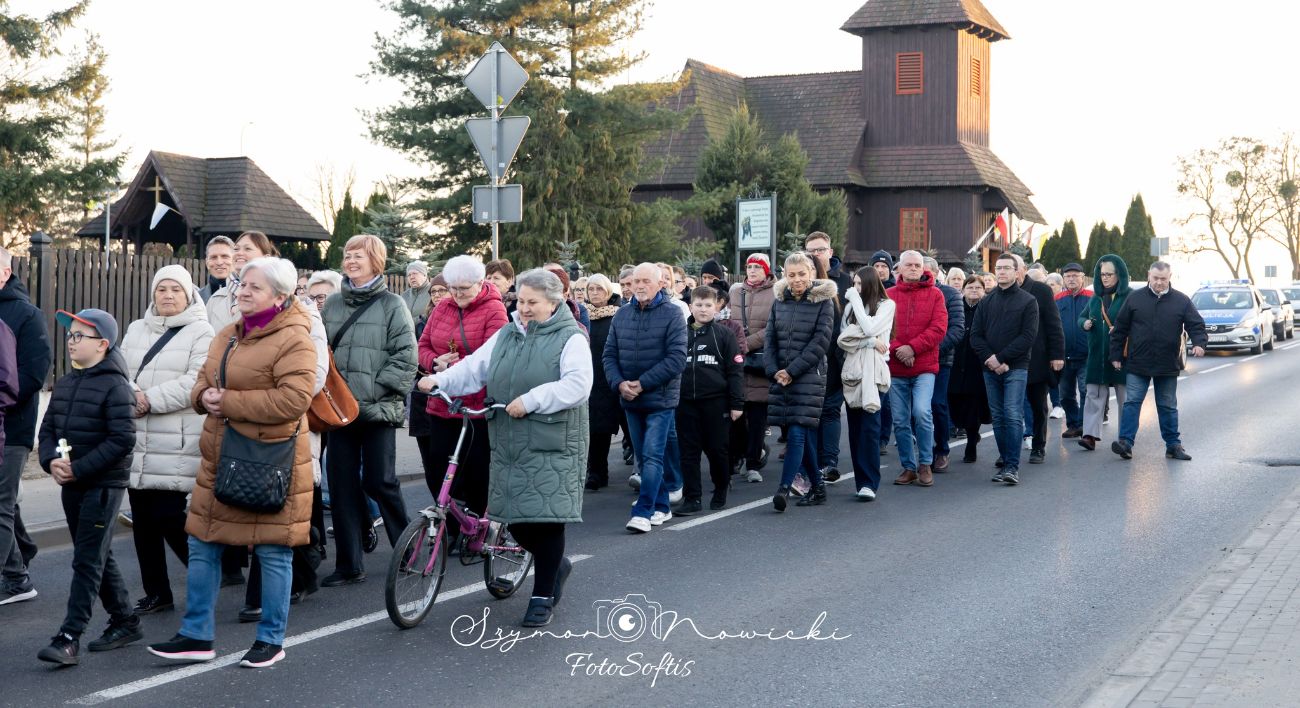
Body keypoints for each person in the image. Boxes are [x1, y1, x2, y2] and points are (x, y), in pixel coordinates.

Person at [146, 257, 315, 669]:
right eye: (241, 285)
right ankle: (196, 635)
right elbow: (203, 382)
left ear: (280, 296)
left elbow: (295, 401)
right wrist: (202, 397)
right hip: (220, 456)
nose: (240, 292)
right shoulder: (227, 334)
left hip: (269, 461)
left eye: (252, 287)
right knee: (202, 543)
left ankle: (271, 640)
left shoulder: (296, 339)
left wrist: (231, 403)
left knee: (273, 552)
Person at [418, 268, 590, 627]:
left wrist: (532, 400)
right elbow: (476, 367)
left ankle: (542, 596)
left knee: (544, 519)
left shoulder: (571, 337)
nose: (524, 308)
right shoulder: (508, 334)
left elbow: (578, 385)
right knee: (515, 519)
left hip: (552, 439)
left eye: (533, 302)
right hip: (510, 438)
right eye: (521, 300)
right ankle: (555, 564)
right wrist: (439, 380)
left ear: (554, 302)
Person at [36, 309, 138, 665]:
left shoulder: (116, 386)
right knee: (96, 554)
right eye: (70, 335)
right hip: (73, 483)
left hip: (103, 486)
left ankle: (69, 636)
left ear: (103, 344)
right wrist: (51, 461)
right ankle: (125, 619)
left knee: (86, 560)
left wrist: (79, 469)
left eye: (80, 336)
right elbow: (47, 430)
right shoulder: (65, 383)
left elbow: (122, 440)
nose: (72, 341)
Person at [319, 235, 416, 586]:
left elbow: (406, 357)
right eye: (347, 255)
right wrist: (333, 394)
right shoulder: (331, 305)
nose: (351, 261)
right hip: (338, 412)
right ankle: (348, 564)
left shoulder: (393, 304)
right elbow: (320, 353)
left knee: (380, 481)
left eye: (358, 255)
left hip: (377, 410)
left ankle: (410, 549)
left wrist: (369, 391)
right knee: (342, 486)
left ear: (376, 260)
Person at [120, 266, 215, 615]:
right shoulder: (135, 329)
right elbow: (119, 371)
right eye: (162, 289)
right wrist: (132, 396)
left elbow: (196, 380)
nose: (168, 295)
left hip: (176, 438)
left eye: (176, 289)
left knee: (169, 516)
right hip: (137, 437)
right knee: (142, 520)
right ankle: (157, 592)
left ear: (189, 294)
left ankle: (206, 577)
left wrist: (149, 400)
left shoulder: (202, 331)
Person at [416, 255, 506, 540]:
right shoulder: (443, 307)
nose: (457, 294)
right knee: (436, 469)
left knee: (477, 470)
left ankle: (478, 527)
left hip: (477, 404)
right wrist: (434, 363)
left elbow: (493, 358)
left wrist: (451, 368)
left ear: (480, 284)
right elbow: (422, 346)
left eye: (464, 289)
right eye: (453, 288)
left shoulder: (495, 311)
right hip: (442, 402)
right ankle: (452, 525)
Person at [604, 263, 687, 533]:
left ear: (661, 283)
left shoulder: (673, 314)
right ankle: (662, 506)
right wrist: (619, 384)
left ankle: (644, 510)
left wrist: (642, 384)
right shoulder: (621, 316)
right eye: (635, 281)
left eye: (645, 281)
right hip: (629, 398)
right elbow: (609, 356)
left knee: (651, 456)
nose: (638, 286)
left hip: (660, 399)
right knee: (644, 455)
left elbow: (676, 359)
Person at [1109, 261, 1208, 461]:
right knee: (1132, 403)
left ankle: (1173, 445)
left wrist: (1199, 343)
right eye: (1155, 278)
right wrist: (1115, 355)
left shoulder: (1181, 301)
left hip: (1167, 363)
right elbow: (1120, 329)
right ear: (1148, 276)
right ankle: (1125, 443)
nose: (1159, 283)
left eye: (1163, 279)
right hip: (1138, 363)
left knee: (1167, 405)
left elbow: (1196, 325)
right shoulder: (1134, 299)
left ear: (1170, 277)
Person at [0, 247, 50, 608]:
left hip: (12, 428)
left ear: (5, 272)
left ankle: (16, 577)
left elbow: (33, 375)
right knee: (5, 503)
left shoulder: (26, 315)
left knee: (1, 503)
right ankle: (17, 576)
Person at [765, 253, 835, 511]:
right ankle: (817, 487)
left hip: (808, 377)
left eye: (802, 274)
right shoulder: (779, 301)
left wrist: (791, 371)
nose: (796, 280)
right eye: (791, 275)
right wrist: (774, 370)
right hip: (782, 377)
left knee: (796, 431)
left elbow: (820, 343)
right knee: (800, 434)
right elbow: (770, 338)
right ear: (785, 275)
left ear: (812, 274)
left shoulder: (823, 302)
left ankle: (783, 489)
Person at [970, 253, 1038, 486]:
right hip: (990, 368)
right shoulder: (986, 301)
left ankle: (1012, 466)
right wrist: (991, 359)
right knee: (998, 417)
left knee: (1011, 413)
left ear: (1017, 271)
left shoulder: (1028, 301)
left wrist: (1001, 358)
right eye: (998, 268)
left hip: (1016, 367)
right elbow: (975, 335)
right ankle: (1006, 461)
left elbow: (1027, 337)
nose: (1001, 272)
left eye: (1007, 268)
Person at [675, 286, 744, 514]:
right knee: (688, 452)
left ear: (716, 307)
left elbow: (735, 370)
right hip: (685, 403)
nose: (703, 310)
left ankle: (721, 488)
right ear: (691, 306)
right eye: (698, 305)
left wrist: (736, 404)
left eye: (708, 305)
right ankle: (692, 498)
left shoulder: (724, 335)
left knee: (717, 450)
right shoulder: (680, 333)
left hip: (716, 403)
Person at [885, 251, 947, 488]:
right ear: (899, 268)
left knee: (922, 412)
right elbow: (880, 328)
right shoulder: (888, 295)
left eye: (917, 265)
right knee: (900, 420)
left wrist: (912, 348)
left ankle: (925, 463)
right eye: (908, 265)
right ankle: (908, 467)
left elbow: (939, 328)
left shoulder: (935, 294)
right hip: (896, 366)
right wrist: (899, 349)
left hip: (924, 366)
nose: (912, 268)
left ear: (923, 268)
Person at [838, 268, 893, 501]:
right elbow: (844, 338)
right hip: (853, 372)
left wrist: (865, 334)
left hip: (875, 374)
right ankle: (860, 481)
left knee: (870, 428)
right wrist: (870, 341)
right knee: (856, 430)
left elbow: (870, 327)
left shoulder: (886, 305)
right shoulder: (851, 307)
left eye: (860, 284)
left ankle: (870, 483)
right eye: (854, 284)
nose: (855, 288)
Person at [805, 233, 848, 483]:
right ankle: (809, 463)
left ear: (830, 252)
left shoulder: (844, 281)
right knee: (810, 412)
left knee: (830, 411)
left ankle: (829, 462)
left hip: (833, 356)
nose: (815, 254)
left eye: (820, 250)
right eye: (811, 250)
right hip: (806, 361)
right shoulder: (797, 284)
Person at [728, 254, 775, 483]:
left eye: (758, 267)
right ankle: (738, 455)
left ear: (766, 270)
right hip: (736, 363)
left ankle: (754, 462)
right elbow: (726, 319)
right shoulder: (736, 291)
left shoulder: (776, 293)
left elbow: (774, 327)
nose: (753, 270)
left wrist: (747, 343)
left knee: (757, 417)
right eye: (750, 266)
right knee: (736, 415)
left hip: (759, 361)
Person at [1015, 254, 1065, 465]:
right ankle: (1008, 451)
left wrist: (1057, 355)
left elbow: (1054, 325)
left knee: (1037, 406)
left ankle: (1038, 446)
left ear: (1022, 269)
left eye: (1012, 268)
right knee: (1011, 408)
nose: (1006, 272)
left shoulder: (1041, 291)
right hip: (1010, 360)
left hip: (1037, 357)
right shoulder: (1000, 292)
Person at [1079, 255, 1131, 451]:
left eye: (1109, 274)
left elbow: (1139, 323)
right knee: (1093, 395)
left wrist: (1121, 329)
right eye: (1102, 274)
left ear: (1120, 275)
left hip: (1122, 357)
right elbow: (1082, 317)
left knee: (1125, 399)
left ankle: (1125, 438)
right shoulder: (1095, 298)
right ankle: (1089, 435)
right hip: (1097, 357)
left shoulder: (1130, 297)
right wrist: (1084, 324)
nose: (1105, 278)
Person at [583, 274, 626, 491]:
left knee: (605, 428)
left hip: (609, 377)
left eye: (599, 289)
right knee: (591, 428)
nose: (595, 293)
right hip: (587, 377)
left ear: (608, 291)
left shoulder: (617, 316)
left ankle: (602, 472)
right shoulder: (582, 316)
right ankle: (595, 471)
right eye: (591, 289)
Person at [924, 256, 965, 473]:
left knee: (937, 403)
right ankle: (923, 452)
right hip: (912, 359)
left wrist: (931, 349)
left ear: (935, 272)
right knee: (916, 409)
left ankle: (941, 450)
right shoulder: (907, 294)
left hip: (941, 358)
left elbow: (957, 330)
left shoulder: (950, 295)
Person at [949, 275, 992, 462]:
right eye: (970, 287)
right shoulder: (956, 309)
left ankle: (971, 443)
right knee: (954, 403)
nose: (974, 291)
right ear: (963, 290)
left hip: (977, 365)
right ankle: (965, 430)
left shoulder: (987, 310)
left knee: (973, 406)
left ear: (984, 291)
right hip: (956, 363)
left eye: (978, 288)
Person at [206, 231, 278, 335]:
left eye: (247, 249)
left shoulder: (276, 297)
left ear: (266, 257)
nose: (239, 253)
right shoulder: (216, 299)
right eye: (236, 249)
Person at [1055, 263, 1092, 439]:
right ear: (1063, 279)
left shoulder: (1092, 298)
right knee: (1065, 395)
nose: (1071, 279)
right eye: (1068, 276)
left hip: (1086, 355)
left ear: (1082, 277)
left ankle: (1084, 426)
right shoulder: (1057, 299)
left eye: (1075, 275)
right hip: (1064, 356)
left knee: (1086, 391)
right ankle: (1073, 424)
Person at [198, 236, 236, 303]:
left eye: (225, 256)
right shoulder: (196, 298)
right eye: (213, 257)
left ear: (235, 260)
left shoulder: (245, 296)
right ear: (207, 263)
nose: (219, 262)